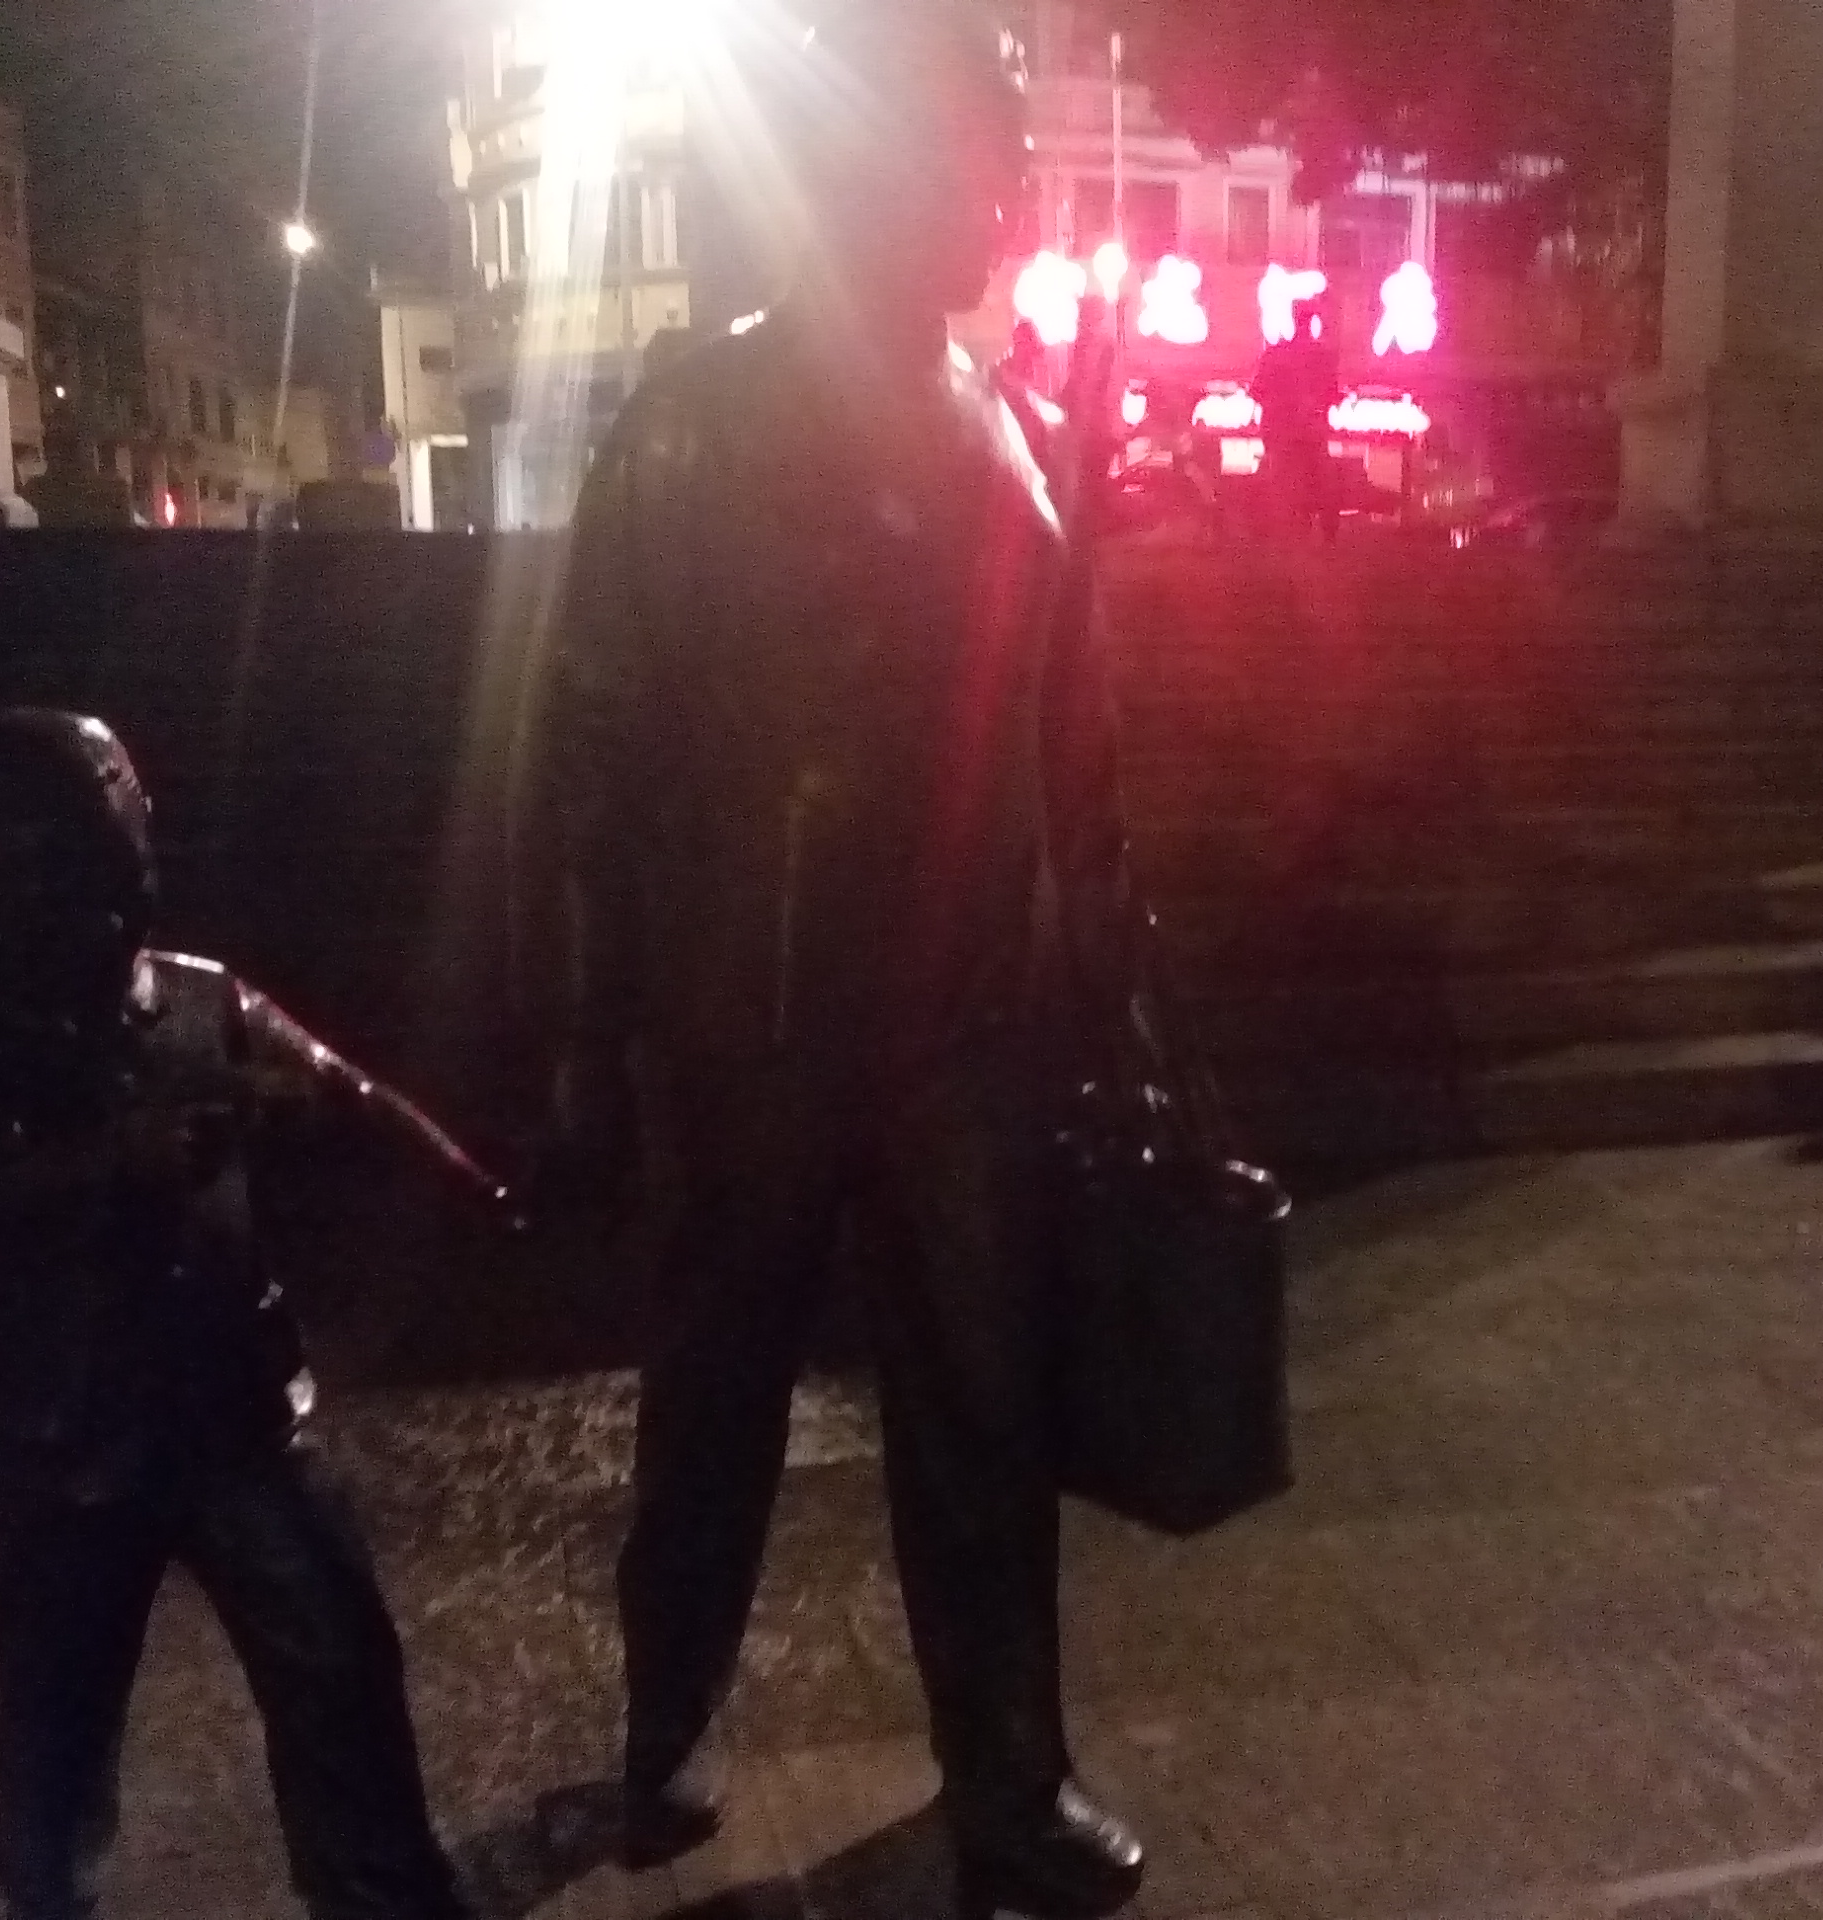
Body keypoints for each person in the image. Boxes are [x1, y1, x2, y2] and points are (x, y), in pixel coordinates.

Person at [516, 6, 1149, 1916]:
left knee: (984, 1421)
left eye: (1011, 164)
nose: (1008, 198)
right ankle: (664, 1732)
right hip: (752, 1020)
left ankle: (1010, 1778)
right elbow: (592, 738)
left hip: (965, 1030)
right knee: (711, 1397)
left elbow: (1078, 757)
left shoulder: (1023, 442)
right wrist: (586, 1025)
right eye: (981, 159)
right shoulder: (688, 423)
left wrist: (1109, 985)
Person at [0, 710, 507, 1920]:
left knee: (339, 1667)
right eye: (84, 869)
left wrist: (457, 1173)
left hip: (236, 1413)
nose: (118, 900)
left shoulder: (198, 998)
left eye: (127, 852)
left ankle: (385, 1894)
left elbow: (343, 1087)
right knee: (53, 1727)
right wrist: (106, 1163)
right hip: (66, 1450)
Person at [1250, 297, 1341, 540]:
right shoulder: (1322, 357)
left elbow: (1257, 391)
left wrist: (1280, 407)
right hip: (1310, 431)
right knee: (1320, 480)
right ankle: (1325, 532)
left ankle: (1289, 530)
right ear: (1312, 321)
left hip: (1282, 432)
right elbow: (1332, 394)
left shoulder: (1276, 354)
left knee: (1285, 482)